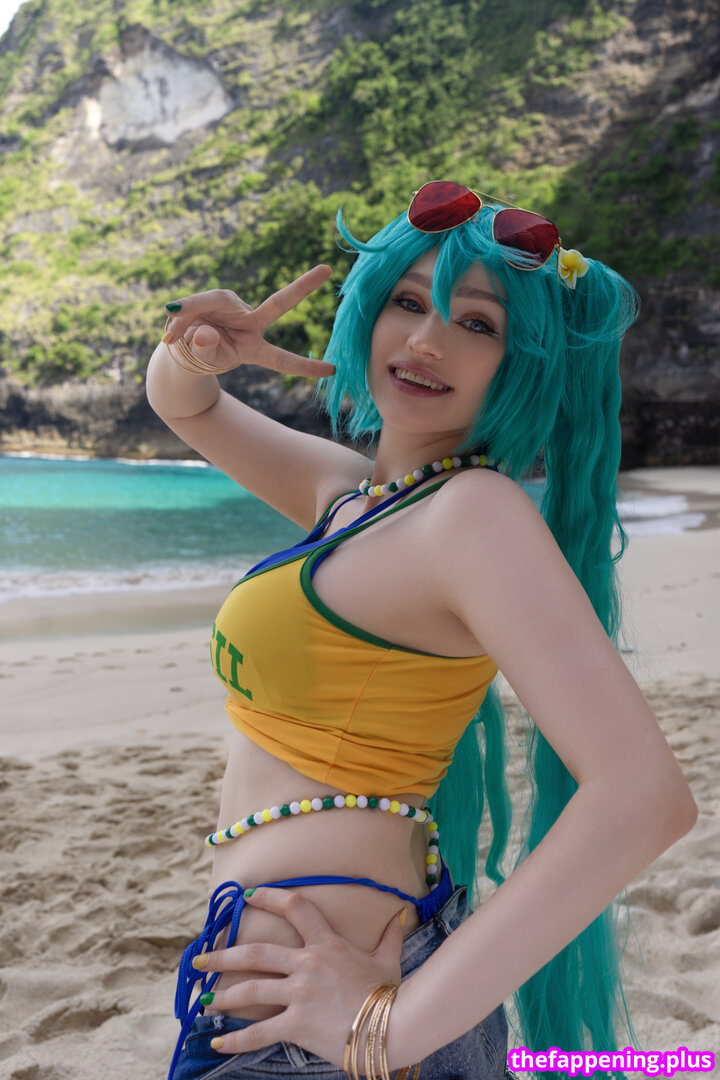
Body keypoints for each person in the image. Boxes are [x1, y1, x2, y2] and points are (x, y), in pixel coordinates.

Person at [145, 181, 698, 1080]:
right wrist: (198, 351)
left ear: (521, 363)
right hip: (285, 1005)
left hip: (332, 1035)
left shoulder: (472, 515)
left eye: (476, 323)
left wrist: (388, 1031)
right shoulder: (354, 499)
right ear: (367, 314)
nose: (427, 340)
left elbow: (645, 798)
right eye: (407, 302)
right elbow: (187, 407)